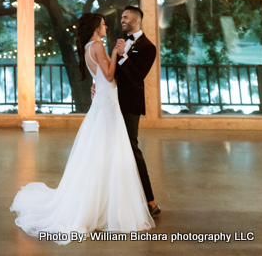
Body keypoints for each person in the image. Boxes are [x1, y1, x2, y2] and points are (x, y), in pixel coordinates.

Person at [10, 13, 154, 244]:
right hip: (107, 103)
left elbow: (99, 76)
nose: (107, 26)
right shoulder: (97, 45)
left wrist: (100, 80)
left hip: (104, 99)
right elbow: (108, 74)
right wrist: (117, 52)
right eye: (104, 24)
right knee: (112, 150)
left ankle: (104, 201)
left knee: (102, 150)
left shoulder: (89, 46)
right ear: (96, 28)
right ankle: (106, 207)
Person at [116, 5, 160, 217]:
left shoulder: (148, 47)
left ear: (135, 20)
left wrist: (123, 56)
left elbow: (137, 78)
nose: (121, 20)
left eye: (125, 17)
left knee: (132, 149)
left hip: (130, 105)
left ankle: (151, 202)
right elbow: (113, 71)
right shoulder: (121, 40)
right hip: (113, 102)